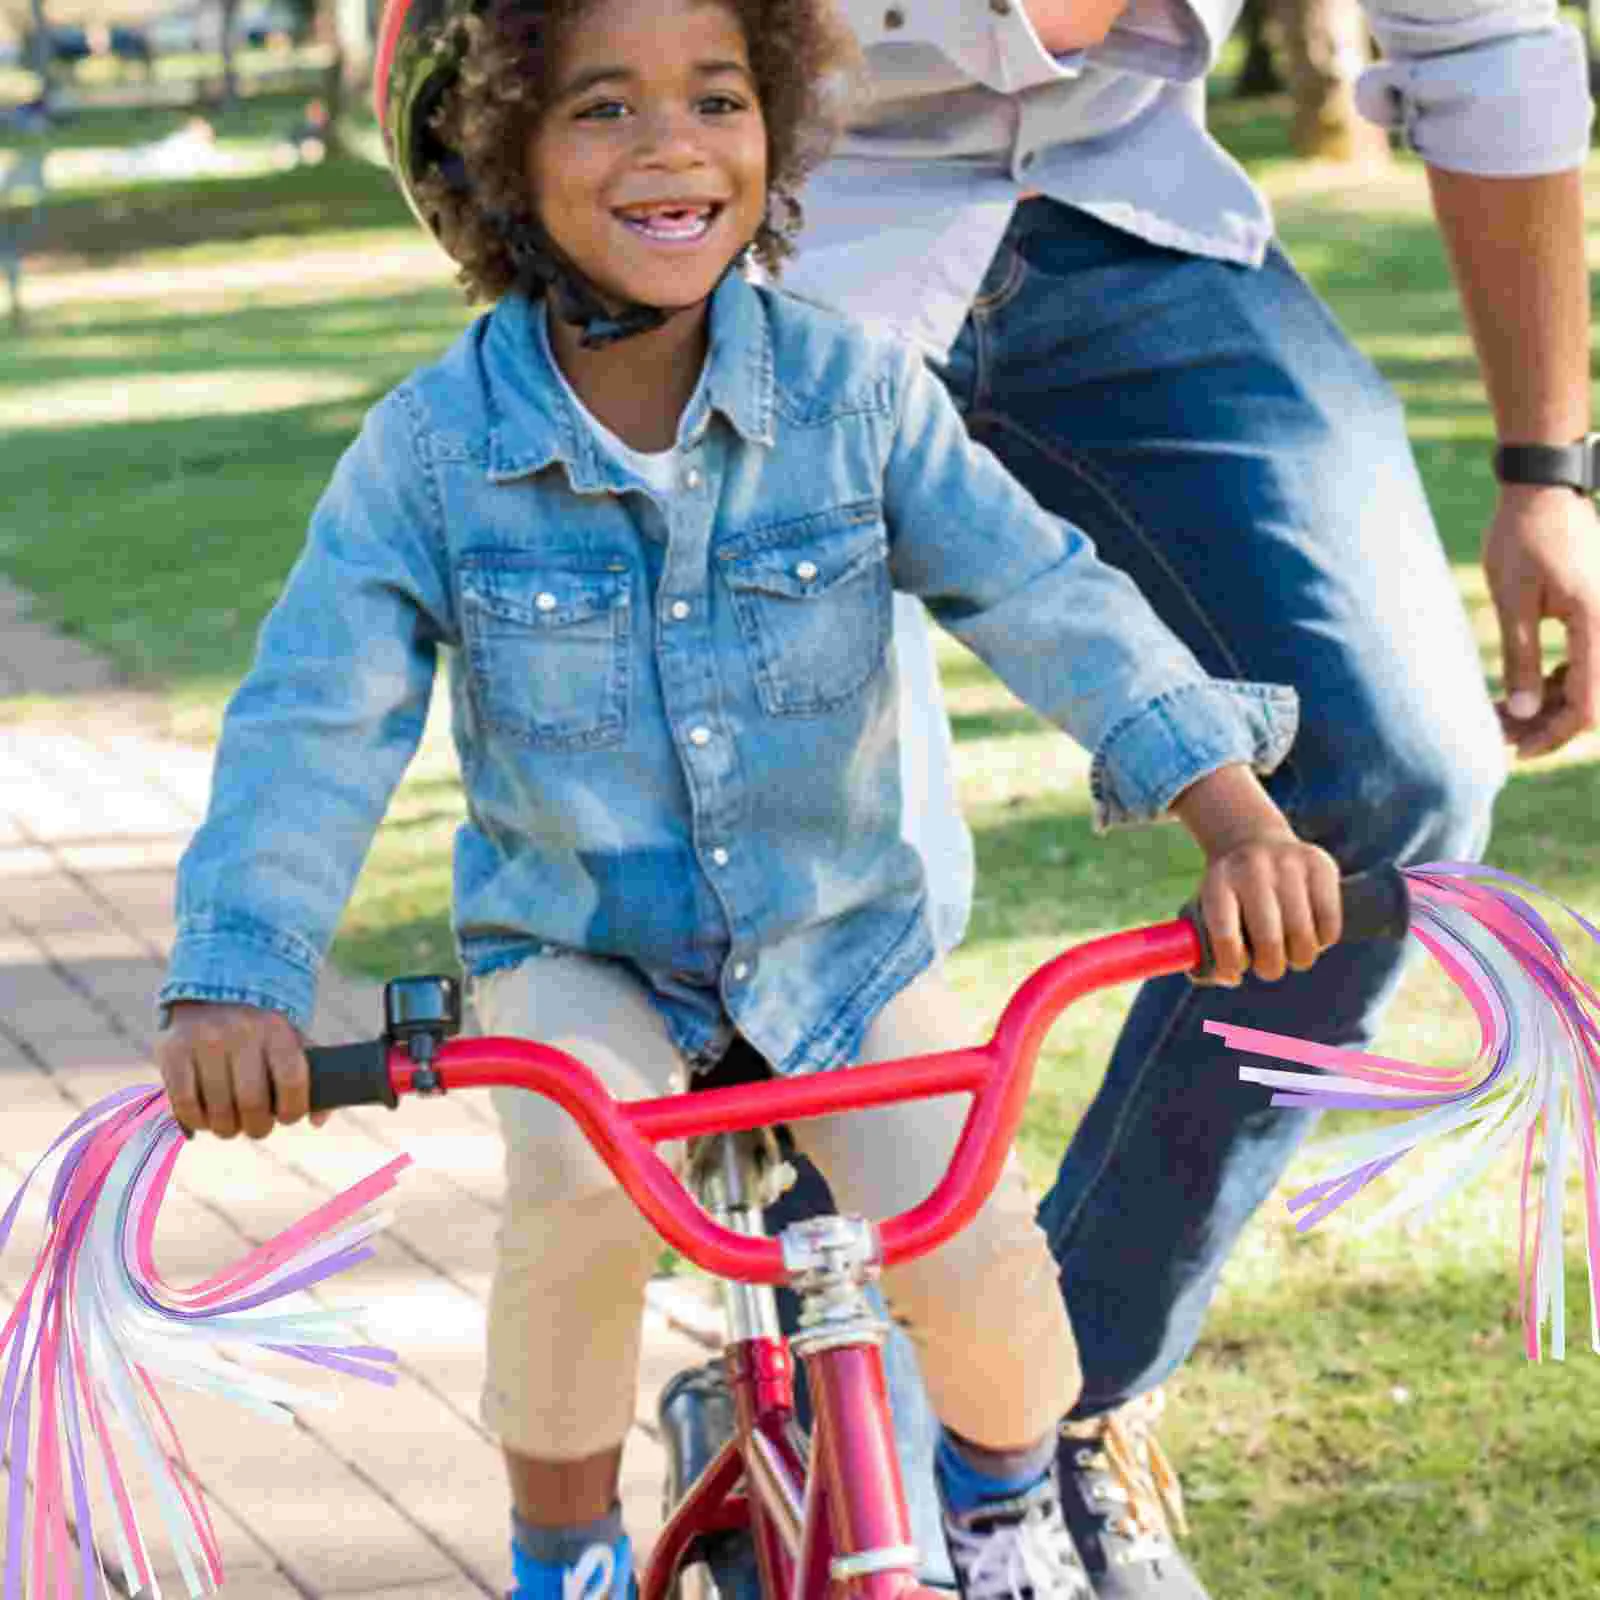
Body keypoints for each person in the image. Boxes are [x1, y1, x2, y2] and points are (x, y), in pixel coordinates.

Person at [151, 1, 1346, 1597]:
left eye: (719, 97)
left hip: (839, 941)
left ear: (778, 120)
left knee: (969, 1227)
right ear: (490, 155)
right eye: (599, 110)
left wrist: (1232, 814)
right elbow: (315, 720)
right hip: (581, 956)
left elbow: (1046, 594)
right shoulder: (431, 457)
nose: (673, 149)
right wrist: (236, 982)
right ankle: (559, 1552)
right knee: (572, 1194)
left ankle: (1000, 1512)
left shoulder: (854, 396)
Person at [738, 1, 1600, 1596]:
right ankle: (827, 1396)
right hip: (755, 231)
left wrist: (1548, 472)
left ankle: (1062, 1395)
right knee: (808, 853)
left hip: (1128, 211)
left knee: (1396, 767)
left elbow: (1484, 42)